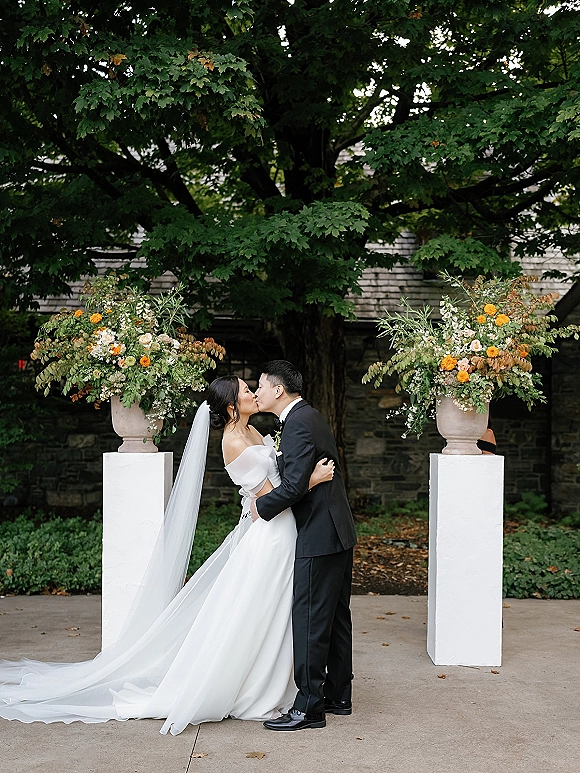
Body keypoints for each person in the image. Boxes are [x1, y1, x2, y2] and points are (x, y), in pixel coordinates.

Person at [0, 376, 334, 734]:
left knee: (276, 608)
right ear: (232, 406)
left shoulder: (254, 432)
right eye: (246, 391)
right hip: (271, 532)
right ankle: (255, 685)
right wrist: (311, 480)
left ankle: (283, 680)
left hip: (281, 531)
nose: (254, 393)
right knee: (265, 606)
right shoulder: (235, 442)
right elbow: (271, 499)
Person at [252, 360, 357, 732]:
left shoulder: (297, 423)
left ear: (278, 390)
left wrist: (260, 507)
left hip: (319, 533)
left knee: (311, 618)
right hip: (337, 530)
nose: (257, 391)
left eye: (260, 385)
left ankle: (309, 706)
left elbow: (296, 485)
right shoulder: (307, 417)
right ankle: (338, 695)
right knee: (335, 616)